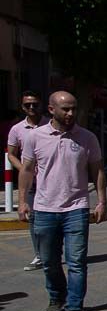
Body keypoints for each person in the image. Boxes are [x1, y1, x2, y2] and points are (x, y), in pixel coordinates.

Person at [17, 91, 107, 311]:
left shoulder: (87, 138)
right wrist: (23, 201)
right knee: (49, 261)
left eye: (73, 109)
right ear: (51, 110)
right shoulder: (35, 137)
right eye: (65, 109)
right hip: (44, 208)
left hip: (76, 207)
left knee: (76, 261)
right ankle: (57, 296)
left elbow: (97, 170)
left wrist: (101, 202)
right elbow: (26, 169)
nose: (70, 113)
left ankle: (75, 307)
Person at [7, 91, 47, 271]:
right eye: (27, 105)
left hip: (52, 181)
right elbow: (11, 154)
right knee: (34, 218)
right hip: (32, 182)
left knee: (55, 217)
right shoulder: (17, 129)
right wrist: (24, 169)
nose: (31, 108)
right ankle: (39, 254)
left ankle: (53, 250)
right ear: (22, 107)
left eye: (35, 104)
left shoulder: (51, 125)